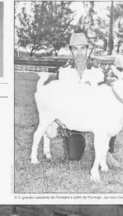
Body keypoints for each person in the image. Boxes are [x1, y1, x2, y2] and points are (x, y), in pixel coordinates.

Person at [48, 32, 118, 165]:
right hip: (72, 120)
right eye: (75, 49)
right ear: (71, 51)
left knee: (112, 113)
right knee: (74, 157)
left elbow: (108, 100)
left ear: (87, 49)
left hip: (94, 116)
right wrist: (57, 119)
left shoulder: (98, 72)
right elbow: (52, 98)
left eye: (82, 48)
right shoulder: (63, 72)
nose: (79, 53)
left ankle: (107, 152)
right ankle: (81, 138)